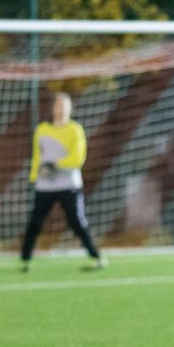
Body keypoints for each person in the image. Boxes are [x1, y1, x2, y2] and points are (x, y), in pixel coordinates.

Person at [20, 92, 106, 271]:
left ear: (70, 109)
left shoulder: (75, 129)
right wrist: (34, 176)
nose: (60, 109)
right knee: (36, 221)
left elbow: (77, 158)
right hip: (45, 185)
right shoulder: (42, 129)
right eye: (58, 105)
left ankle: (95, 257)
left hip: (69, 184)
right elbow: (37, 155)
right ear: (53, 108)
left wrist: (55, 165)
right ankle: (25, 260)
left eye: (64, 105)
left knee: (76, 221)